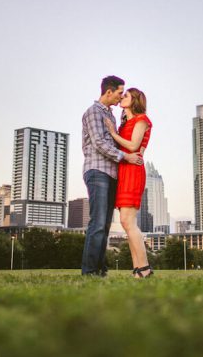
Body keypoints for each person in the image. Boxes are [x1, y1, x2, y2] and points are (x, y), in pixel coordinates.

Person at [81, 75, 144, 276]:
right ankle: (90, 271)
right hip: (97, 171)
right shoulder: (93, 112)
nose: (120, 97)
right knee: (97, 223)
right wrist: (126, 157)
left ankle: (100, 269)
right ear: (108, 92)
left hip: (111, 174)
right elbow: (99, 143)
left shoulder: (110, 115)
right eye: (119, 93)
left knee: (105, 224)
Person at [106, 87, 154, 278]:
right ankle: (138, 269)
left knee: (128, 221)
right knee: (127, 223)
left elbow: (134, 146)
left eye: (125, 95)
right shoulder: (124, 123)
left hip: (133, 170)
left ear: (134, 100)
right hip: (123, 171)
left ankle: (144, 268)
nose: (122, 97)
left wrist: (112, 133)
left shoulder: (141, 120)